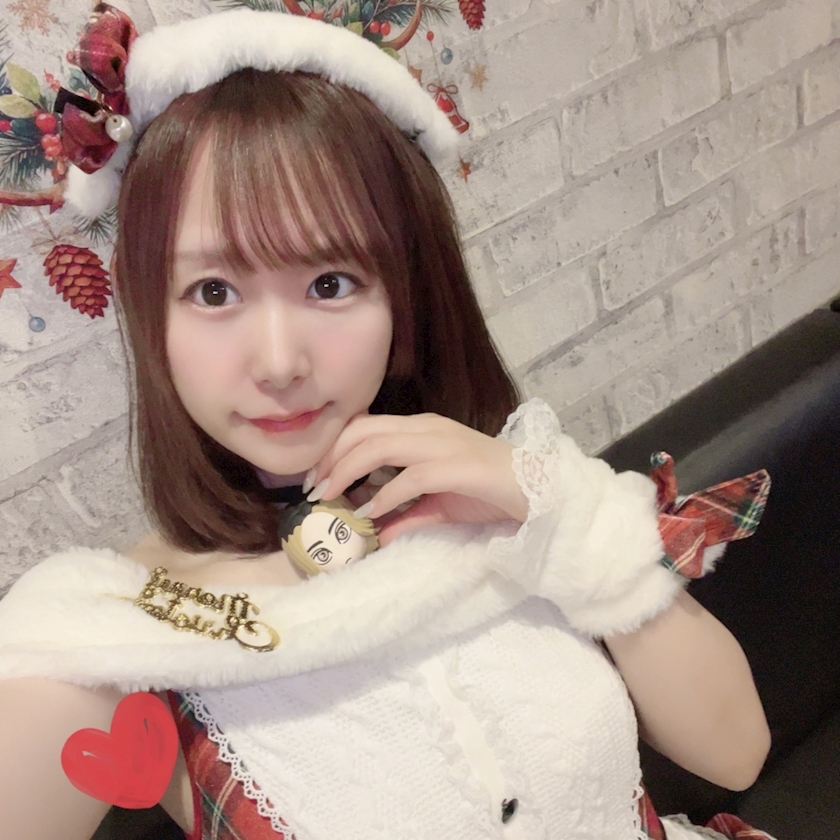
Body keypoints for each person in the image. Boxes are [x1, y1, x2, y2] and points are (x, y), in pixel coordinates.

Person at [0, 6, 775, 840]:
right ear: (152, 316)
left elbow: (735, 752)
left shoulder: (505, 491)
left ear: (404, 292)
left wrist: (558, 510)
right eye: (213, 292)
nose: (279, 362)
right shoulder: (117, 628)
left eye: (330, 283)